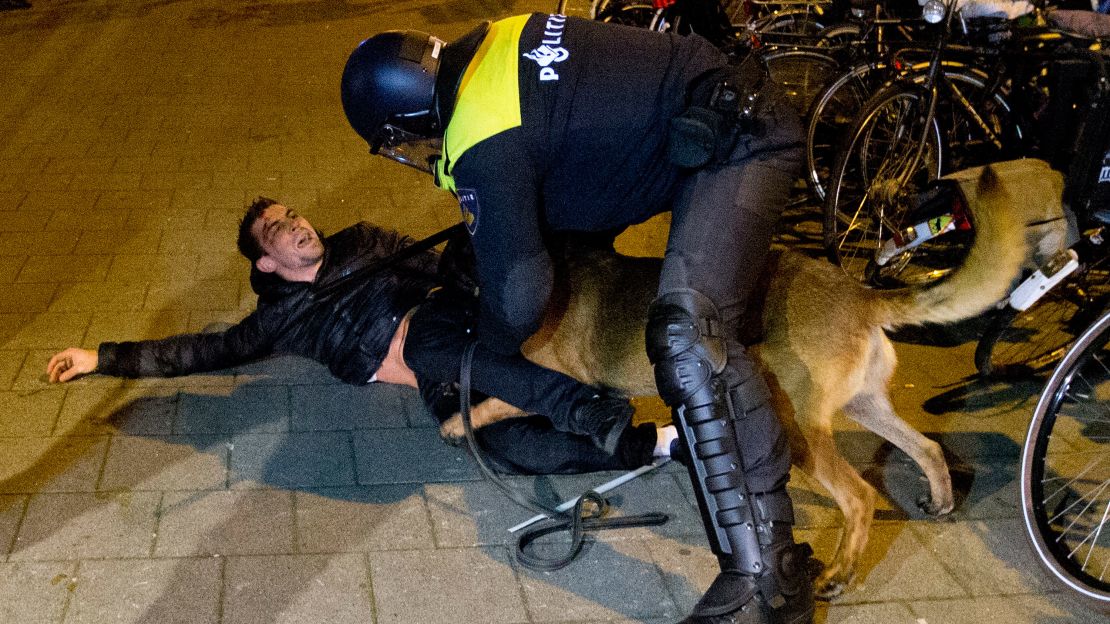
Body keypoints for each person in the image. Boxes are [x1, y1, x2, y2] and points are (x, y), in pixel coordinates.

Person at [340, 11, 812, 624]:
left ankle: (769, 581)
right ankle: (714, 482)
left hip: (740, 144)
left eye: (401, 141)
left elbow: (520, 296)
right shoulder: (493, 42)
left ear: (404, 119)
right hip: (712, 117)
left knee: (688, 336)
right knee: (675, 330)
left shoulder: (480, 139)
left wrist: (493, 350)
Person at [47, 197, 679, 476]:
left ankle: (583, 405)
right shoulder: (281, 317)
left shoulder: (363, 243)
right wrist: (100, 357)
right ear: (266, 263)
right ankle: (660, 445)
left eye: (293, 215)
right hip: (438, 377)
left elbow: (441, 268)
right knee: (507, 452)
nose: (297, 227)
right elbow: (204, 351)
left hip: (443, 319)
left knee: (429, 340)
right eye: (278, 231)